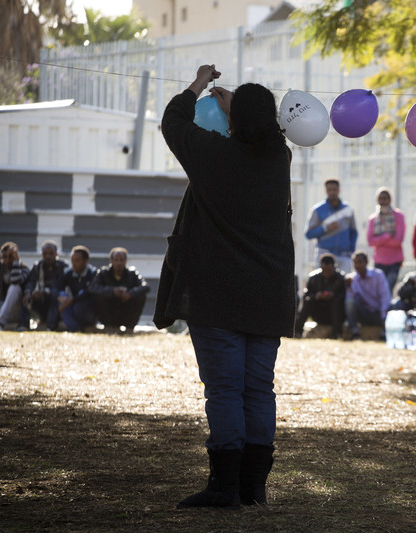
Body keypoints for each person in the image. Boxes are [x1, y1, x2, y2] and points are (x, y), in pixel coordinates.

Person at [156, 65, 296, 509]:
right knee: (258, 388)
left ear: (232, 121)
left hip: (218, 294)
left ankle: (224, 486)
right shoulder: (280, 158)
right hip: (269, 294)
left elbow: (172, 122)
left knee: (224, 389)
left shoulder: (211, 155)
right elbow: (262, 131)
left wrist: (199, 86)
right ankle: (254, 488)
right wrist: (241, 107)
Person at [88, 247, 149, 333]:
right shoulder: (103, 273)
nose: (118, 263)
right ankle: (109, 327)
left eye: (121, 260)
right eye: (116, 260)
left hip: (126, 310)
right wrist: (112, 291)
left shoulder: (132, 273)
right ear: (111, 261)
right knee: (98, 296)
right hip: (109, 312)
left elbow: (145, 286)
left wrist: (130, 294)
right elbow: (92, 287)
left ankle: (129, 328)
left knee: (140, 296)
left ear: (126, 261)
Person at [304, 177, 358, 273]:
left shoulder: (348, 209)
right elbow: (309, 234)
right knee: (322, 286)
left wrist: (351, 250)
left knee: (344, 286)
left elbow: (353, 232)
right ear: (326, 191)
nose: (332, 192)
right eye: (329, 190)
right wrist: (325, 228)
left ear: (339, 190)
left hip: (344, 256)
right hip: (324, 255)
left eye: (334, 189)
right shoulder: (318, 210)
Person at [294, 253, 346, 339]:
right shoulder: (314, 278)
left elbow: (344, 296)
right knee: (309, 301)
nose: (326, 273)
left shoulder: (341, 278)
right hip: (318, 313)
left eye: (329, 270)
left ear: (334, 267)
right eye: (324, 270)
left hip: (335, 313)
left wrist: (333, 296)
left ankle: (337, 334)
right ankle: (297, 332)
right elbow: (306, 296)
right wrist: (316, 296)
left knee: (336, 302)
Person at [344, 250, 391, 340]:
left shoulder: (378, 275)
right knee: (349, 301)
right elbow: (350, 298)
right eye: (355, 263)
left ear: (366, 263)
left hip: (378, 313)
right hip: (364, 314)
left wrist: (383, 317)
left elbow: (385, 297)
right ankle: (354, 331)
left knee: (393, 306)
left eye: (360, 262)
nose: (357, 265)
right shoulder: (352, 279)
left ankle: (384, 331)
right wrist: (349, 286)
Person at [366, 187, 405, 293]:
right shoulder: (373, 219)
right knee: (378, 291)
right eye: (380, 198)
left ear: (390, 200)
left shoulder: (398, 216)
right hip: (379, 261)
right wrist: (387, 236)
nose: (383, 201)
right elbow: (370, 241)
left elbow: (398, 240)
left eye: (385, 198)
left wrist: (379, 240)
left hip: (395, 261)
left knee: (388, 290)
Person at [23, 241, 68, 331]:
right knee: (26, 297)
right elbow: (31, 282)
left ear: (56, 254)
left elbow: (59, 285)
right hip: (43, 303)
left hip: (58, 303)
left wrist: (46, 291)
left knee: (54, 294)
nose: (48, 256)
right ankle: (23, 325)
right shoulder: (37, 266)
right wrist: (28, 293)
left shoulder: (62, 267)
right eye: (45, 253)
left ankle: (50, 326)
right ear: (41, 254)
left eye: (51, 253)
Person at [55, 245, 98, 332]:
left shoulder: (93, 273)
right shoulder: (68, 272)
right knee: (62, 296)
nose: (74, 263)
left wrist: (72, 300)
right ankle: (73, 327)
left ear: (85, 261)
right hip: (71, 305)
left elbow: (88, 293)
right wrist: (60, 297)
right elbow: (57, 287)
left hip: (87, 310)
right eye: (72, 261)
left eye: (77, 261)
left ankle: (76, 326)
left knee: (81, 298)